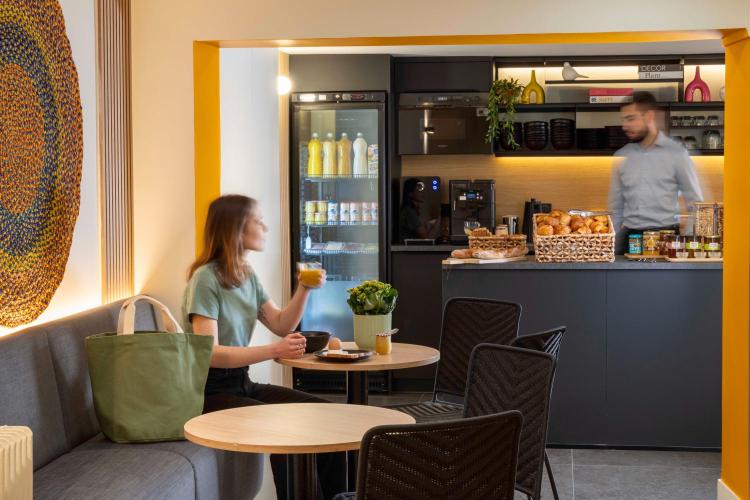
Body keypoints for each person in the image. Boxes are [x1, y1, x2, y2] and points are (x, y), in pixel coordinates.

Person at [182, 194, 345, 500]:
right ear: (237, 228)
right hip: (208, 393)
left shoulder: (246, 276)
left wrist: (304, 289)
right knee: (287, 426)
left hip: (241, 382)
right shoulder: (205, 279)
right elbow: (210, 354)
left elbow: (281, 324)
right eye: (258, 221)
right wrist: (273, 351)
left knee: (327, 414)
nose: (265, 227)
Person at [608, 91, 704, 254]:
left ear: (649, 116)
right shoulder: (621, 156)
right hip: (630, 238)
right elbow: (615, 209)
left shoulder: (677, 154)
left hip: (666, 238)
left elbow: (696, 205)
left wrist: (687, 243)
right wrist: (610, 248)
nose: (624, 126)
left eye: (630, 119)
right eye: (623, 120)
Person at [398, 177, 439, 242]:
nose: (423, 193)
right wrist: (440, 219)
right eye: (419, 191)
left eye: (423, 190)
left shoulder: (410, 209)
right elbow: (427, 238)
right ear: (410, 193)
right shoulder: (409, 211)